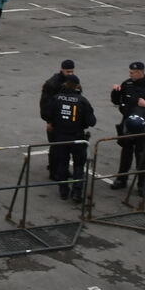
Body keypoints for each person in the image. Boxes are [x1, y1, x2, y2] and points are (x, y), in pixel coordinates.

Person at [109, 62, 145, 196]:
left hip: (142, 127)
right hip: (127, 125)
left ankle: (142, 185)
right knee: (126, 154)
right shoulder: (127, 84)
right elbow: (116, 101)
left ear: (141, 72)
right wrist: (115, 92)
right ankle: (121, 179)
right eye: (130, 72)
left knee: (141, 156)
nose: (130, 75)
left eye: (132, 72)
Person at [41, 74, 95, 202]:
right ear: (77, 86)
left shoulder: (56, 98)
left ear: (65, 85)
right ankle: (77, 192)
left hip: (60, 137)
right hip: (77, 138)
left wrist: (53, 122)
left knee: (62, 164)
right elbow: (92, 121)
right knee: (78, 165)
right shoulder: (82, 101)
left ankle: (63, 191)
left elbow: (47, 114)